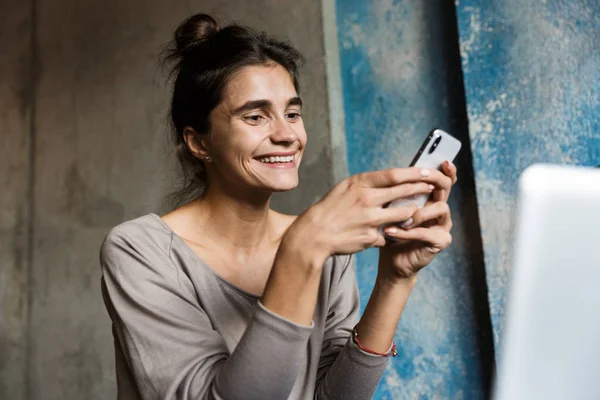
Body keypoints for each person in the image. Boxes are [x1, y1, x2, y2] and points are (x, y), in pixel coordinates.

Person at [100, 13, 457, 400]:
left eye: (292, 113)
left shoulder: (323, 248)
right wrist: (301, 250)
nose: (287, 135)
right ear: (198, 142)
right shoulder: (140, 251)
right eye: (255, 116)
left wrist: (394, 280)